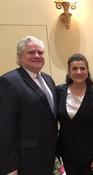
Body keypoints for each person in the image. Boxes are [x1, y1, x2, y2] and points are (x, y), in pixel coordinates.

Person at [0, 36, 57, 175]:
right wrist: (10, 168)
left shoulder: (48, 80)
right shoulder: (9, 81)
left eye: (40, 53)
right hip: (26, 161)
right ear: (20, 57)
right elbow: (6, 129)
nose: (37, 56)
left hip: (48, 156)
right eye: (31, 52)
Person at [56, 53, 93, 175]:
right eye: (74, 68)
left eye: (82, 68)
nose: (79, 72)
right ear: (69, 71)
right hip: (67, 153)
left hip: (89, 155)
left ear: (87, 71)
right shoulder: (59, 91)